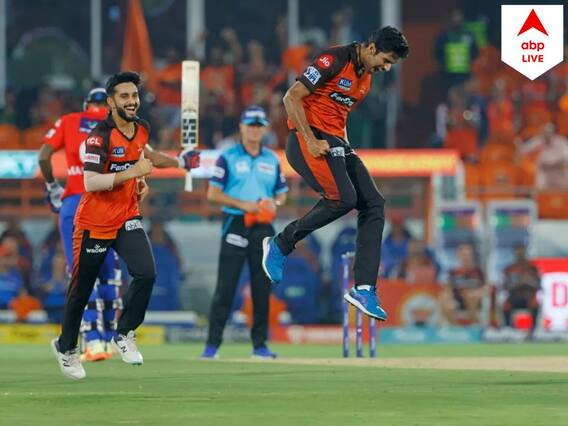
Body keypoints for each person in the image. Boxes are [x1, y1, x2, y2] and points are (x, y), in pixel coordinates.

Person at [50, 71, 200, 380]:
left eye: (134, 95)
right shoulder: (98, 137)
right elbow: (91, 182)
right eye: (124, 96)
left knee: (146, 273)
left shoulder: (141, 128)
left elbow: (146, 155)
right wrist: (133, 173)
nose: (132, 101)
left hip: (126, 216)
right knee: (82, 288)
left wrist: (179, 162)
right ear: (111, 102)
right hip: (94, 221)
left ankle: (125, 332)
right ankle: (66, 347)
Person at [262, 26, 409, 322]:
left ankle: (364, 288)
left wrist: (346, 149)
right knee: (343, 198)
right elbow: (291, 98)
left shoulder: (366, 78)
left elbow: (337, 115)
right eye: (386, 60)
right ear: (371, 48)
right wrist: (310, 140)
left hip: (335, 141)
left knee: (373, 203)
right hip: (306, 139)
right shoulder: (334, 60)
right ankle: (280, 244)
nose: (386, 67)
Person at [38, 88, 121, 362]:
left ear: (87, 104)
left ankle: (93, 342)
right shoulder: (118, 123)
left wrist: (52, 186)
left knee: (81, 273)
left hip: (75, 201)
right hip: (108, 203)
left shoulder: (69, 120)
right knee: (108, 273)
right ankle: (111, 340)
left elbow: (43, 156)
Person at [201, 105, 288, 359]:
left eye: (259, 126)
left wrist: (275, 203)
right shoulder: (227, 157)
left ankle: (260, 346)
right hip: (236, 222)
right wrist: (243, 205)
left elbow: (281, 193)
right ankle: (212, 346)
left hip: (264, 226)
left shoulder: (271, 159)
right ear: (241, 127)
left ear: (265, 129)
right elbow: (212, 194)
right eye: (250, 125)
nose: (255, 130)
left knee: (262, 287)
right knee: (226, 286)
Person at [440, 243, 486, 325]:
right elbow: (447, 289)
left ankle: (472, 324)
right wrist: (448, 298)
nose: (466, 257)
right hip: (457, 301)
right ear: (458, 255)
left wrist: (476, 293)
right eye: (463, 255)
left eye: (468, 255)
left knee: (470, 296)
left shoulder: (478, 271)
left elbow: (486, 287)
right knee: (444, 300)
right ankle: (456, 327)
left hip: (474, 300)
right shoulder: (453, 272)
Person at [501, 243, 540, 331]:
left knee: (534, 303)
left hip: (528, 296)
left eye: (522, 253)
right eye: (518, 253)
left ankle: (533, 329)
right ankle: (508, 328)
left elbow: (538, 285)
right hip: (514, 297)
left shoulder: (532, 268)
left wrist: (528, 282)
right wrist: (517, 284)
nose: (520, 255)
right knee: (506, 305)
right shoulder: (509, 269)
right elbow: (505, 286)